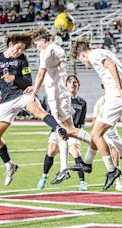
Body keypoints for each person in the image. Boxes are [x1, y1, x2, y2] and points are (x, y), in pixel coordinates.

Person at [0, 32, 69, 186]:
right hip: (6, 101)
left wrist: (14, 78)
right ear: (10, 45)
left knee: (38, 111)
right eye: (18, 48)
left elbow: (28, 81)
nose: (20, 51)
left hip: (21, 95)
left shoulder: (22, 59)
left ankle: (58, 128)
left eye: (22, 49)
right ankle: (10, 165)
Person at [27, 27, 92, 184]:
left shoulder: (47, 51)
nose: (36, 47)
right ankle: (65, 168)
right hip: (61, 94)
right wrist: (37, 87)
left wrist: (34, 92)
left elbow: (43, 73)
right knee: (68, 131)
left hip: (56, 97)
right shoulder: (57, 49)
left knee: (62, 131)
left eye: (37, 43)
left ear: (44, 40)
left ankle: (65, 168)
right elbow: (53, 75)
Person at [70, 37, 122, 190]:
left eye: (81, 61)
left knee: (97, 135)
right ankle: (87, 163)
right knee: (95, 133)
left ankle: (112, 170)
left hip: (115, 97)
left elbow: (110, 65)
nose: (85, 63)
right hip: (118, 97)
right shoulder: (105, 51)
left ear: (82, 55)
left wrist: (118, 89)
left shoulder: (94, 55)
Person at [37, 75, 88, 191]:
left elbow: (81, 120)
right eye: (70, 82)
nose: (72, 84)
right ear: (65, 85)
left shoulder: (82, 102)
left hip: (72, 131)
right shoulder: (61, 99)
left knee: (75, 151)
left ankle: (82, 182)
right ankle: (44, 176)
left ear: (78, 85)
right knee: (51, 150)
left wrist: (78, 133)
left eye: (75, 82)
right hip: (58, 130)